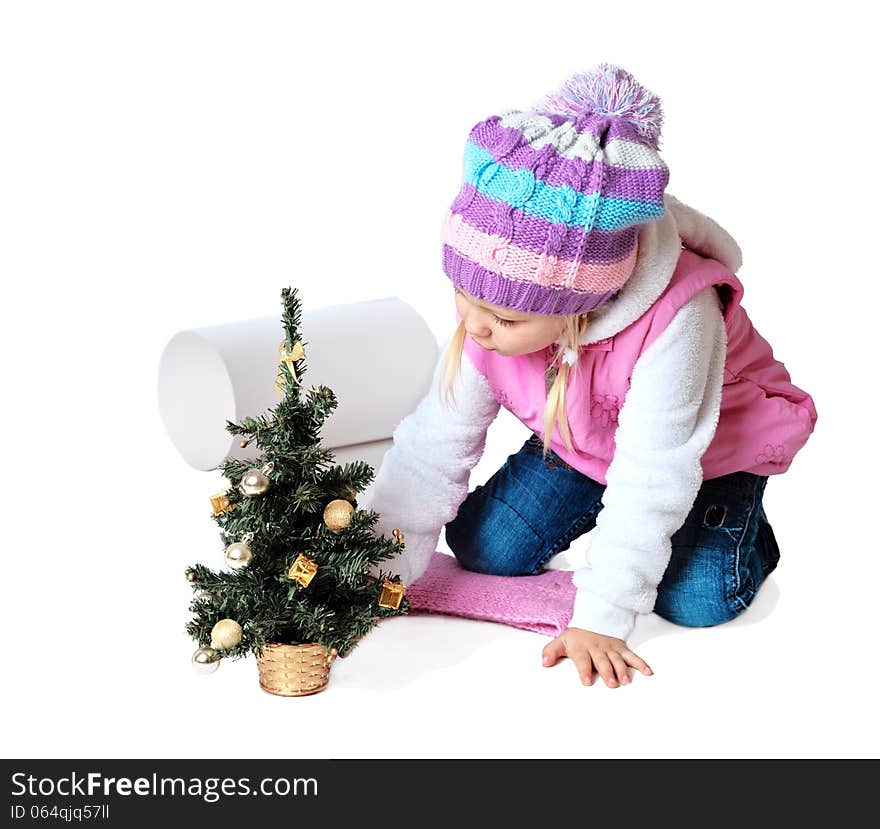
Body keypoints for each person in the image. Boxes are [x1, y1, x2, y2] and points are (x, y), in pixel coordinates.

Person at [362, 63, 817, 688]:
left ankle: (738, 521)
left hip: (705, 454)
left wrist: (604, 614)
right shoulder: (491, 309)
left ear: (580, 304)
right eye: (463, 296)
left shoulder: (680, 319)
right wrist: (380, 557)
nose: (478, 325)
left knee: (695, 602)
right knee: (484, 551)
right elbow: (431, 445)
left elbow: (656, 468)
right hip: (585, 440)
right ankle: (600, 499)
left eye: (502, 315)